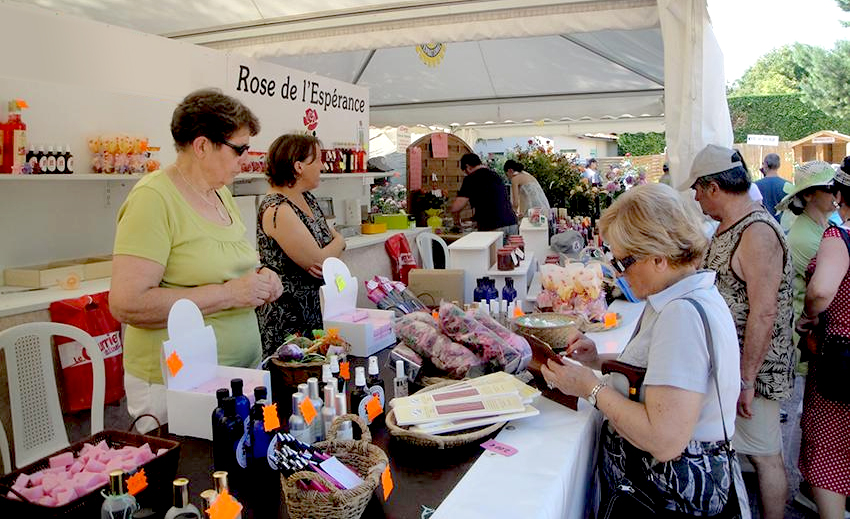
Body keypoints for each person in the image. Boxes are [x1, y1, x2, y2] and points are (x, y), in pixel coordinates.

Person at [541, 183, 748, 517]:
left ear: (658, 256)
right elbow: (661, 377)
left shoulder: (681, 315)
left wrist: (589, 387)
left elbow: (664, 440)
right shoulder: (680, 297)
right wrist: (598, 361)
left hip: (666, 497)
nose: (618, 272)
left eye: (624, 260)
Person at [110, 89, 283, 432]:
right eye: (240, 149)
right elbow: (128, 303)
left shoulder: (221, 193)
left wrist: (263, 278)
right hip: (176, 385)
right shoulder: (153, 199)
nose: (246, 160)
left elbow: (230, 265)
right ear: (202, 146)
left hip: (233, 377)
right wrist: (230, 294)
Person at [683, 144, 794, 519]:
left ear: (714, 187)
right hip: (736, 367)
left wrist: (745, 380)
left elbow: (764, 314)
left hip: (755, 372)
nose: (696, 197)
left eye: (697, 189)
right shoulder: (732, 226)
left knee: (766, 455)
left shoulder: (757, 232)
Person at [255, 134, 346, 356]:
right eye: (317, 161)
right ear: (298, 167)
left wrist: (332, 247)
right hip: (288, 318)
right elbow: (319, 261)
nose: (322, 166)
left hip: (313, 311)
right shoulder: (278, 209)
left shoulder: (307, 199)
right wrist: (341, 242)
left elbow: (325, 248)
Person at [796, 164, 850, 519]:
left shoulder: (839, 238)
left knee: (831, 443)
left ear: (841, 196)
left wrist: (812, 315)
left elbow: (820, 290)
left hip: (842, 357)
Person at [775, 161, 836, 348]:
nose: (835, 193)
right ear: (808, 195)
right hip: (808, 339)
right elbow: (830, 287)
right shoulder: (803, 237)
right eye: (829, 188)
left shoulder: (825, 227)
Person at [450, 153, 517, 239]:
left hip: (493, 226)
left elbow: (456, 207)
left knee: (493, 253)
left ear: (467, 167)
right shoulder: (495, 175)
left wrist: (457, 223)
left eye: (465, 171)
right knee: (511, 252)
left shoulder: (471, 178)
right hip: (511, 222)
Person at [755, 153, 789, 222]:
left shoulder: (755, 186)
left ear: (765, 165)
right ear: (778, 165)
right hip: (783, 229)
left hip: (763, 226)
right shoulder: (787, 185)